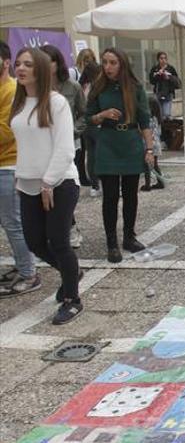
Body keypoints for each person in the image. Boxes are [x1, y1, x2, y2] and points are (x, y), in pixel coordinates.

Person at [8, 47, 84, 324]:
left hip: (58, 183)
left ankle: (72, 299)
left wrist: (48, 182)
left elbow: (65, 148)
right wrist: (22, 175)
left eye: (27, 64)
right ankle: (71, 273)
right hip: (27, 184)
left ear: (40, 68)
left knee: (59, 242)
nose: (21, 68)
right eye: (18, 64)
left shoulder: (56, 102)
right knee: (35, 242)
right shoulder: (19, 103)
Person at [87, 48, 155, 262]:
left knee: (131, 195)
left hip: (130, 143)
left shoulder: (135, 88)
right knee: (110, 196)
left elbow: (145, 120)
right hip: (107, 142)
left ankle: (129, 236)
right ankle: (111, 243)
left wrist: (150, 149)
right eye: (105, 62)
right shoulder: (98, 88)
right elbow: (88, 118)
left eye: (113, 62)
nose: (108, 67)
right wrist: (102, 114)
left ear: (122, 64)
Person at [0, 40, 39, 298]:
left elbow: (5, 131)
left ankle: (29, 274)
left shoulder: (12, 90)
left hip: (9, 164)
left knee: (14, 223)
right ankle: (21, 265)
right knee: (9, 222)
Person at [40, 44, 87, 249]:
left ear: (57, 63)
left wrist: (72, 130)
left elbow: (84, 114)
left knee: (64, 186)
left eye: (47, 60)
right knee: (47, 189)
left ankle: (69, 226)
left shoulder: (72, 86)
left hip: (69, 145)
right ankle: (57, 228)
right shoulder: (34, 88)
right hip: (43, 147)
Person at [78, 62, 102, 197]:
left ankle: (94, 185)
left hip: (85, 126)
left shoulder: (82, 87)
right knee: (100, 155)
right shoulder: (96, 87)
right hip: (96, 123)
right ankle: (100, 183)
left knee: (91, 155)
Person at [141, 96, 165, 191]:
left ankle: (147, 185)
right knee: (155, 164)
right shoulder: (157, 118)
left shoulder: (147, 118)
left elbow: (145, 131)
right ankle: (160, 182)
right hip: (157, 143)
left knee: (146, 164)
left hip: (148, 143)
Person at [148, 51, 180, 121]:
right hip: (158, 93)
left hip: (168, 93)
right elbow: (152, 81)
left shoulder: (171, 68)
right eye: (161, 58)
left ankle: (166, 130)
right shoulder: (155, 68)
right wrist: (158, 75)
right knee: (159, 115)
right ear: (158, 59)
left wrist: (168, 78)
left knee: (166, 114)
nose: (163, 60)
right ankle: (161, 130)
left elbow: (177, 81)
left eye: (165, 58)